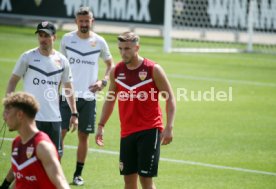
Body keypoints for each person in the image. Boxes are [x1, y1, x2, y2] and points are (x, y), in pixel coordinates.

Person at [95, 32, 176, 189]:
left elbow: (170, 98)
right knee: (128, 181)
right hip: (127, 132)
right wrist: (101, 125)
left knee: (146, 180)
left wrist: (169, 127)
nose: (123, 53)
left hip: (150, 130)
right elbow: (110, 100)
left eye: (127, 48)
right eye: (120, 49)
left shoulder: (153, 69)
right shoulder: (116, 71)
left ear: (137, 47)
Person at [6, 21, 78, 156]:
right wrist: (9, 106)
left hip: (54, 119)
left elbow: (68, 87)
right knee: (28, 158)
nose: (43, 39)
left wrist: (74, 113)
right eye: (41, 35)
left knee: (55, 157)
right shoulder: (28, 57)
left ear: (54, 37)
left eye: (47, 35)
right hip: (31, 118)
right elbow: (12, 81)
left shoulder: (62, 60)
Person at [59, 6, 114, 186]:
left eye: (87, 21)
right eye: (81, 21)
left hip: (89, 98)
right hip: (66, 96)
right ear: (76, 22)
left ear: (92, 21)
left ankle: (77, 175)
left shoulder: (99, 42)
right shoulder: (67, 39)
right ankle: (54, 173)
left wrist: (103, 82)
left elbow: (110, 65)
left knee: (84, 136)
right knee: (60, 134)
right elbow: (59, 66)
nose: (84, 24)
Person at [1, 92, 70, 189]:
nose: (4, 117)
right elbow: (21, 180)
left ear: (20, 115)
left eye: (7, 112)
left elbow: (61, 183)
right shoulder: (16, 143)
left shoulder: (43, 147)